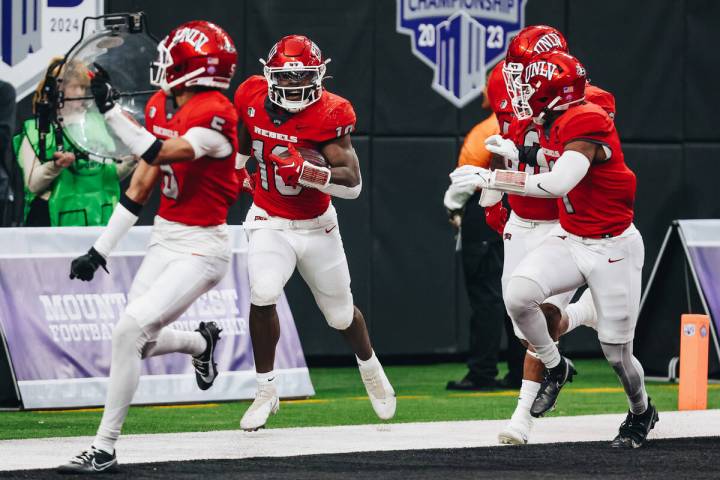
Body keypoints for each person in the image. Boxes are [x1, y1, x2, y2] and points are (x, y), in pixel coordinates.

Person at [58, 20, 251, 473]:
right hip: (166, 235)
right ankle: (200, 344)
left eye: (173, 60)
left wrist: (109, 115)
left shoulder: (217, 112)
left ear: (192, 69)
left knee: (128, 332)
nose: (163, 66)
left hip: (204, 247)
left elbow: (160, 154)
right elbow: (145, 181)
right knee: (136, 343)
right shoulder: (164, 104)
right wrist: (100, 250)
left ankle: (103, 448)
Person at [452, 51, 656, 448]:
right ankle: (555, 365)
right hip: (573, 236)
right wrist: (516, 155)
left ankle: (640, 411)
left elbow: (558, 182)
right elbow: (544, 157)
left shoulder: (586, 119)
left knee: (618, 356)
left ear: (555, 94)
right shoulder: (552, 119)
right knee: (518, 296)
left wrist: (492, 176)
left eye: (533, 89)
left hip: (612, 246)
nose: (525, 96)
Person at [233, 34, 395, 431]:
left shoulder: (330, 113)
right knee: (263, 291)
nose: (294, 86)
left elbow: (353, 184)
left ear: (319, 75)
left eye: (302, 76)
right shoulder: (250, 96)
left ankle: (369, 365)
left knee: (340, 315)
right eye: (286, 78)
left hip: (317, 226)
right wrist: (240, 166)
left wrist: (307, 171)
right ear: (269, 76)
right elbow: (245, 129)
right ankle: (266, 389)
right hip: (269, 219)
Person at [443, 79, 525, 391]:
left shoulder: (490, 128)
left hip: (488, 209)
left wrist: (452, 207)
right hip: (520, 212)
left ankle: (482, 372)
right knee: (516, 295)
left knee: (486, 297)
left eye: (488, 85)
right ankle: (520, 370)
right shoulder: (531, 122)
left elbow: (467, 178)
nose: (481, 91)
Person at [13, 58, 136, 226]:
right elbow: (32, 185)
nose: (80, 92)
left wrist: (131, 161)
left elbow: (109, 175)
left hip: (100, 221)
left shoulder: (99, 123)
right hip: (55, 228)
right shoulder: (37, 131)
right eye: (75, 86)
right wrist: (55, 166)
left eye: (84, 87)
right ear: (57, 90)